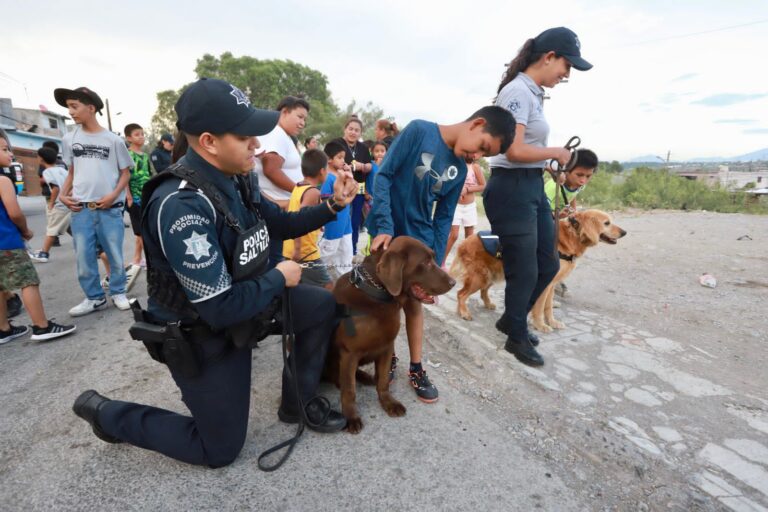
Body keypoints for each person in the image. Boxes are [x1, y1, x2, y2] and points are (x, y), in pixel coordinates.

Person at [71, 78, 358, 468]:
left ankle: (299, 403)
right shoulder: (182, 206)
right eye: (246, 138)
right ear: (208, 141)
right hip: (205, 329)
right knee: (219, 449)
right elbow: (219, 308)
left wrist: (333, 205)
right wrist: (280, 276)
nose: (257, 146)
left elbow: (280, 222)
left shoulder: (238, 177)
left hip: (249, 300)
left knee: (321, 304)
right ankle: (109, 415)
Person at [368, 106, 515, 402]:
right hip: (388, 234)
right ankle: (389, 357)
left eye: (484, 156)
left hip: (420, 240)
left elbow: (444, 218)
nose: (476, 157)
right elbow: (384, 176)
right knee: (386, 300)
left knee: (414, 304)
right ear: (477, 123)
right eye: (482, 147)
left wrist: (435, 262)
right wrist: (384, 224)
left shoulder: (460, 169)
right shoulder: (419, 130)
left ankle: (417, 367)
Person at [484, 26, 592, 367]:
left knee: (547, 263)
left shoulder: (533, 93)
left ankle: (511, 318)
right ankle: (515, 335)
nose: (565, 74)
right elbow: (512, 150)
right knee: (525, 269)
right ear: (549, 57)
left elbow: (525, 149)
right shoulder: (518, 92)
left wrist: (548, 165)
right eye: (566, 66)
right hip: (511, 188)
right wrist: (556, 152)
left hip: (530, 185)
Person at [53, 86, 134, 316]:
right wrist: (62, 194)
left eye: (74, 106)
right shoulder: (69, 139)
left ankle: (118, 292)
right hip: (81, 209)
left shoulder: (113, 141)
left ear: (91, 108)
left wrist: (113, 195)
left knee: (114, 253)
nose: (70, 112)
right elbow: (71, 171)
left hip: (108, 208)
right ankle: (94, 298)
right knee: (83, 257)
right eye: (68, 106)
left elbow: (125, 172)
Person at [0, 128, 76, 344]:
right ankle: (42, 326)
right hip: (7, 241)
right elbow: (14, 212)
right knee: (28, 282)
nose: (10, 154)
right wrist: (25, 230)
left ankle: (3, 329)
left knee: (1, 286)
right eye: (5, 149)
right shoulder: (3, 181)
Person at [283, 149, 332, 289]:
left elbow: (293, 210)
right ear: (322, 171)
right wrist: (297, 250)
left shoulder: (298, 187)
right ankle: (336, 310)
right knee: (328, 287)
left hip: (290, 247)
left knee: (298, 287)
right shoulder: (313, 192)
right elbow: (300, 220)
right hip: (305, 252)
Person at [330, 116, 372, 256]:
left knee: (355, 221)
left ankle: (352, 250)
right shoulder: (336, 143)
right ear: (345, 129)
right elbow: (328, 162)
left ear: (360, 133)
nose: (353, 132)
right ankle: (335, 251)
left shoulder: (364, 148)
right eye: (351, 129)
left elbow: (370, 166)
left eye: (357, 130)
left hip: (358, 188)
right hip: (340, 186)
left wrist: (363, 166)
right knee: (340, 218)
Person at [318, 141, 353, 280]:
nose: (343, 160)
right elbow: (323, 201)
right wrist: (321, 220)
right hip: (334, 220)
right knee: (328, 250)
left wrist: (349, 174)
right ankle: (314, 275)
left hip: (345, 221)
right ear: (329, 159)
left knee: (346, 251)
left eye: (343, 157)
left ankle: (345, 280)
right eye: (339, 157)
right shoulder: (328, 178)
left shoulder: (342, 175)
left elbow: (351, 191)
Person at [29, 147, 71, 263]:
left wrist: (51, 204)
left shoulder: (47, 172)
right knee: (71, 228)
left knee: (51, 229)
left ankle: (44, 254)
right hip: (69, 203)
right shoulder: (62, 170)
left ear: (41, 159)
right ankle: (96, 248)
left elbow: (55, 188)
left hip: (60, 204)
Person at [444, 160, 486, 265]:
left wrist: (467, 189)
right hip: (456, 206)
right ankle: (441, 262)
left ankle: (467, 264)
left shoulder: (475, 167)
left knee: (470, 238)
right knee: (453, 235)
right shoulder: (455, 164)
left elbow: (483, 185)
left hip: (470, 207)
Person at [124, 123, 152, 269]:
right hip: (134, 198)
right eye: (137, 134)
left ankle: (137, 258)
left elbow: (148, 175)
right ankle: (146, 258)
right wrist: (128, 196)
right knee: (141, 231)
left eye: (142, 133)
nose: (141, 137)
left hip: (146, 196)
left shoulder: (145, 155)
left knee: (143, 230)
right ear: (129, 138)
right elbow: (124, 177)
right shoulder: (128, 155)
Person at [544, 148, 597, 216]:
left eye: (588, 176)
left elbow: (573, 195)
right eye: (579, 175)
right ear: (566, 170)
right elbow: (540, 209)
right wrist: (556, 215)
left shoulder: (578, 185)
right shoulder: (554, 187)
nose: (583, 181)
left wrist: (574, 211)